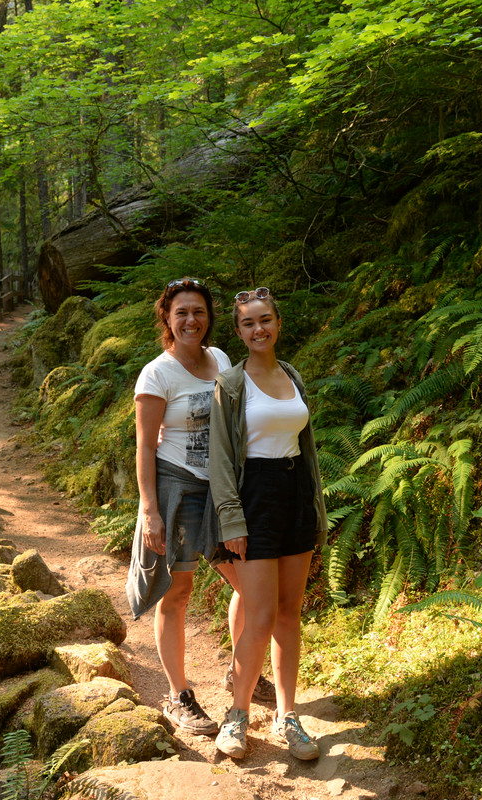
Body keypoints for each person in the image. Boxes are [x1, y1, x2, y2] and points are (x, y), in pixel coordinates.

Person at [125, 278, 273, 739]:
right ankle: (178, 695)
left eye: (199, 312)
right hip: (178, 488)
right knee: (178, 591)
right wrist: (150, 509)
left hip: (223, 489)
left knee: (249, 584)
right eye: (181, 312)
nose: (191, 320)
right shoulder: (157, 374)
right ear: (167, 319)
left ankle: (238, 671)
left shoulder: (222, 361)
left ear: (209, 318)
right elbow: (145, 448)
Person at [209, 286, 328, 761]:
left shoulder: (293, 376)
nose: (258, 329)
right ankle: (237, 715)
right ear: (238, 332)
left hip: (295, 495)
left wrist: (314, 507)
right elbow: (221, 459)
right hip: (252, 499)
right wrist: (231, 519)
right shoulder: (232, 385)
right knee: (258, 616)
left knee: (288, 614)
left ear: (278, 323)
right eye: (247, 323)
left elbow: (307, 446)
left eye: (265, 320)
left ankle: (287, 716)